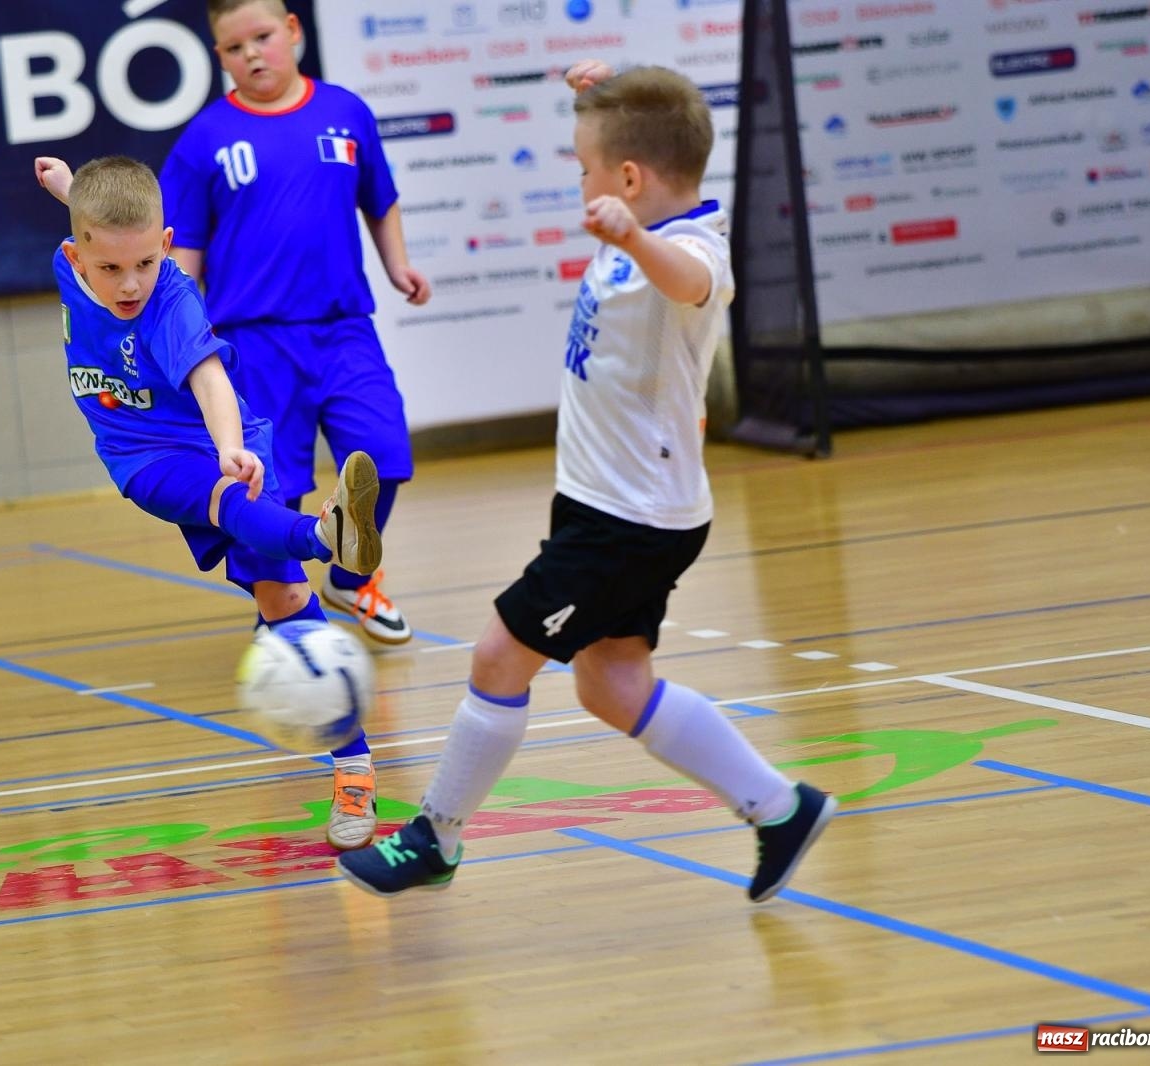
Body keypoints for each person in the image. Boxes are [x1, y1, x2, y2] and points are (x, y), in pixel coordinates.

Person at [337, 62, 835, 901]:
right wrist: (602, 99)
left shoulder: (691, 248)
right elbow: (643, 134)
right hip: (604, 507)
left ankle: (436, 838)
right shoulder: (644, 210)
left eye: (585, 168)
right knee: (613, 684)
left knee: (499, 654)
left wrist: (634, 236)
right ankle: (779, 808)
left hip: (632, 521)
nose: (582, 182)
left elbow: (688, 281)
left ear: (630, 182)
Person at [44, 0, 431, 646]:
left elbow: (381, 198)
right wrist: (173, 319)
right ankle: (280, 606)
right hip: (253, 336)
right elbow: (157, 245)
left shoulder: (346, 113)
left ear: (292, 32)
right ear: (218, 56)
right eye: (234, 46)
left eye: (263, 37)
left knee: (386, 454)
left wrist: (399, 266)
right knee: (273, 479)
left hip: (342, 325)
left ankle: (346, 573)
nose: (252, 53)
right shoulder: (203, 141)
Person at [33, 153, 386, 848]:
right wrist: (70, 188)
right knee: (226, 507)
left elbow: (211, 380)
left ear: (166, 247)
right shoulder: (74, 259)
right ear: (77, 256)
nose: (129, 283)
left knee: (285, 603)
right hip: (144, 458)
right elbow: (104, 215)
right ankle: (324, 536)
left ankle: (356, 769)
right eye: (109, 270)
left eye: (144, 264)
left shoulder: (172, 298)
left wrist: (230, 444)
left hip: (227, 441)